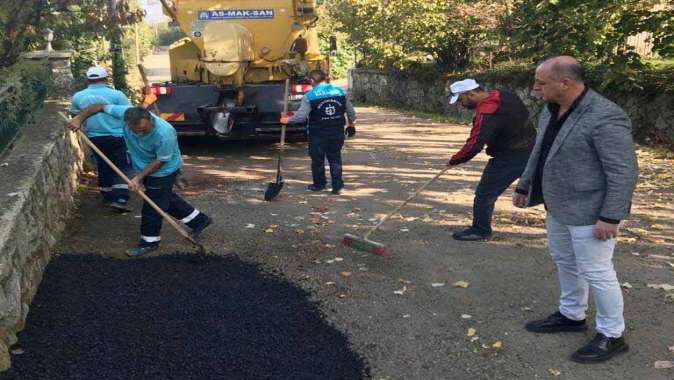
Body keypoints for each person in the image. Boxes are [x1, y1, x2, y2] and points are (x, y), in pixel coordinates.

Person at [513, 56, 638, 363]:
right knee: (564, 260)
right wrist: (524, 184)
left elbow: (623, 171)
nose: (535, 88)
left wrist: (611, 216)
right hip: (558, 204)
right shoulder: (551, 108)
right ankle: (571, 315)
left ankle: (612, 334)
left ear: (564, 83)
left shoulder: (605, 115)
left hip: (591, 210)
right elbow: (540, 149)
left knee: (597, 271)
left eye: (541, 83)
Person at [67, 102, 212, 257]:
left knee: (152, 206)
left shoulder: (165, 132)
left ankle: (149, 241)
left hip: (163, 169)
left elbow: (160, 160)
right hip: (143, 165)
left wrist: (138, 178)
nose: (139, 133)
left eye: (143, 129)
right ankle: (199, 220)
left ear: (149, 119)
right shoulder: (125, 113)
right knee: (162, 198)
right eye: (134, 130)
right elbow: (100, 106)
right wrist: (79, 118)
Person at [446, 79, 535, 241]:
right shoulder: (505, 95)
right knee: (548, 189)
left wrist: (455, 159)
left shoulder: (486, 112)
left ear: (470, 93)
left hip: (509, 157)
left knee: (485, 193)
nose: (461, 104)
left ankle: (480, 230)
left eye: (461, 99)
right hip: (534, 149)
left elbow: (475, 143)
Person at [281, 70, 357, 195]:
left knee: (317, 160)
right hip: (337, 131)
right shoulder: (340, 92)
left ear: (311, 81)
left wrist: (287, 120)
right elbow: (351, 112)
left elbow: (301, 117)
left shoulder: (309, 96)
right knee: (335, 158)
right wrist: (351, 124)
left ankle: (319, 185)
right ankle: (337, 186)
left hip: (317, 133)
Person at [70, 66, 132, 212]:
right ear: (106, 78)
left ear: (88, 79)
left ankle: (107, 195)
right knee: (121, 165)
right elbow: (129, 113)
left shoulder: (78, 96)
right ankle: (121, 198)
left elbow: (75, 116)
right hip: (118, 136)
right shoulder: (117, 95)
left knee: (103, 165)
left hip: (95, 137)